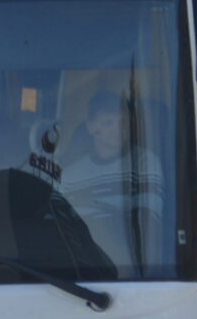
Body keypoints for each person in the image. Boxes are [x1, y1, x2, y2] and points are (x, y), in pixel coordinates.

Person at [59, 90, 164, 272]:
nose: (117, 129)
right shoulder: (69, 175)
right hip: (77, 264)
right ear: (91, 127)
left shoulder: (145, 162)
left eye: (122, 123)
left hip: (129, 265)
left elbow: (148, 222)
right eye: (108, 123)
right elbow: (59, 226)